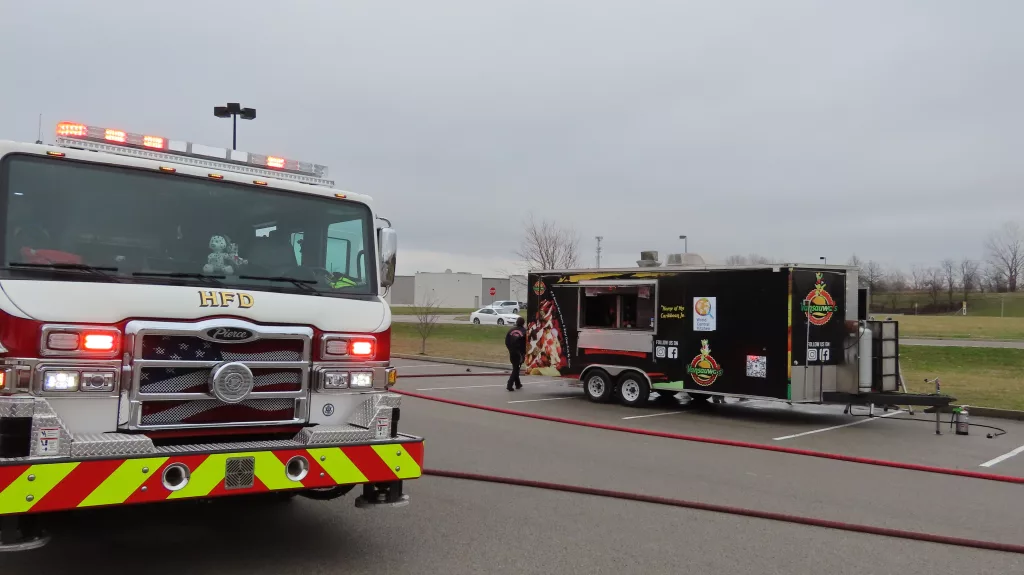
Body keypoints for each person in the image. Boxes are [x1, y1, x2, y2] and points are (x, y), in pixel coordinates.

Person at [505, 317, 527, 391]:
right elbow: (525, 344)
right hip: (519, 353)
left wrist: (510, 349)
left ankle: (518, 384)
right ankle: (509, 384)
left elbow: (506, 341)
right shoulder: (524, 331)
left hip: (512, 352)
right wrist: (523, 352)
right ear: (523, 323)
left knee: (516, 367)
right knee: (516, 368)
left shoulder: (511, 330)